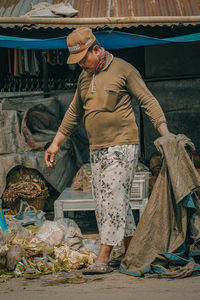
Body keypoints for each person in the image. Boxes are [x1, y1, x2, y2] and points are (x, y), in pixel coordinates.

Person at [44, 27, 173, 275]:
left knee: (113, 194)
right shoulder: (84, 77)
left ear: (96, 49)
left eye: (83, 59)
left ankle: (103, 256)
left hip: (123, 144)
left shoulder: (123, 69)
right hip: (97, 148)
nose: (81, 65)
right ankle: (129, 252)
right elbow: (73, 113)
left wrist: (165, 134)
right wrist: (56, 143)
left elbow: (148, 101)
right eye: (77, 62)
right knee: (107, 202)